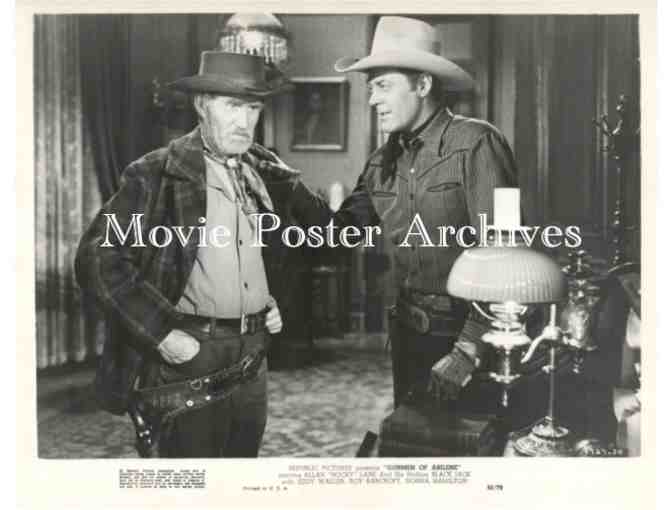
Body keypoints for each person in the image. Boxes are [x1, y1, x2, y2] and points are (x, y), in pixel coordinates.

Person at [75, 51, 318, 458]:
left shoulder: (260, 173)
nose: (245, 122)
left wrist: (264, 299)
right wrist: (161, 334)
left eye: (253, 108)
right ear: (202, 105)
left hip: (253, 353)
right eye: (233, 106)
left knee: (240, 474)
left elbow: (248, 257)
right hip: (191, 351)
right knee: (193, 480)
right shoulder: (157, 172)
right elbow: (97, 260)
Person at [268, 16, 519, 409]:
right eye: (371, 88)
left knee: (465, 440)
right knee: (411, 431)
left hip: (467, 336)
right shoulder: (380, 163)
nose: (372, 100)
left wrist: (468, 350)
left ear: (423, 85)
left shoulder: (477, 144)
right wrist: (289, 184)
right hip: (407, 333)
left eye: (383, 86)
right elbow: (339, 236)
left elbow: (504, 253)